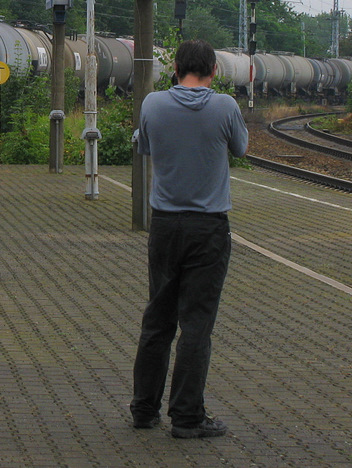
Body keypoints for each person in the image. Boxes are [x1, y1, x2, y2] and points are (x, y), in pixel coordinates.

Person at [130, 39, 248, 439]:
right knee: (196, 324)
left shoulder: (152, 104)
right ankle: (186, 417)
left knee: (157, 320)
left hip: (164, 225)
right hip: (209, 228)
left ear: (175, 68)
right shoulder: (226, 107)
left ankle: (144, 410)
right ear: (214, 70)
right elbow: (242, 148)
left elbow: (144, 147)